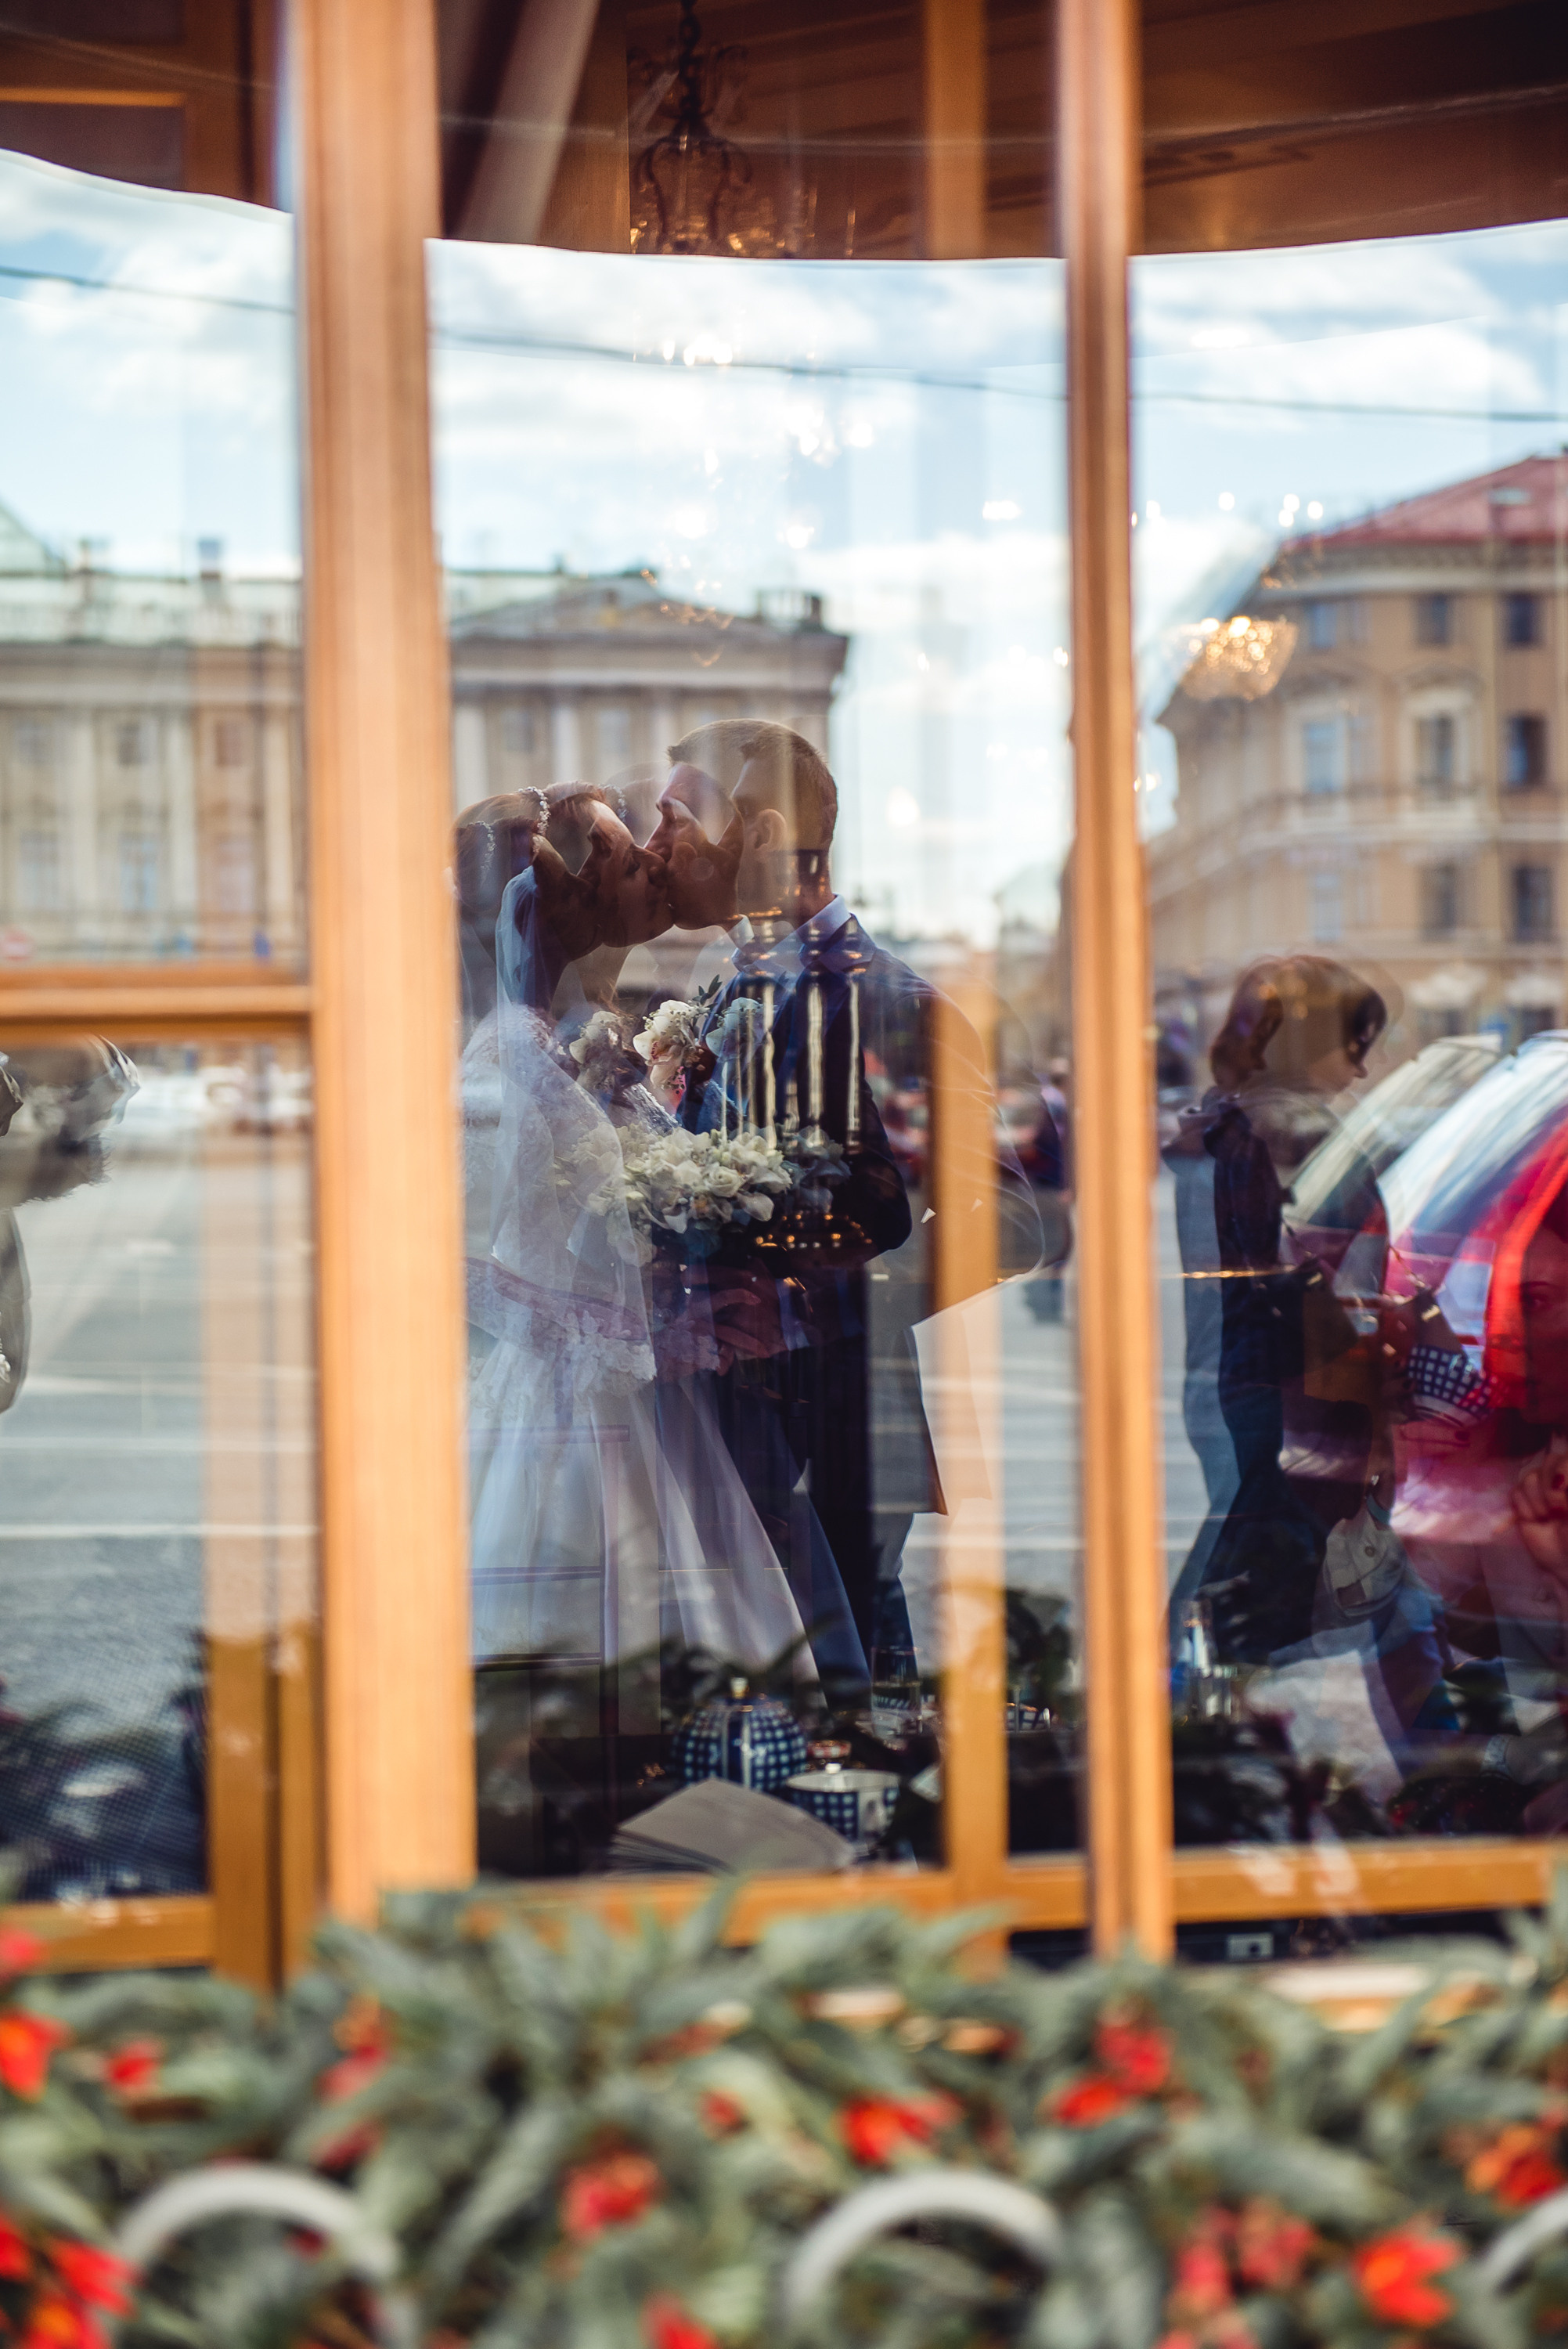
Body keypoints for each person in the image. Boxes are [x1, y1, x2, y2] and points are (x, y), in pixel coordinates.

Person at [642, 719, 1042, 1666]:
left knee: (846, 1677)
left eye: (678, 825)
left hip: (840, 1418)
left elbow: (1015, 1220)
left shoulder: (894, 1004)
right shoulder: (721, 984)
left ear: (767, 834)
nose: (661, 850)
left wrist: (821, 1293)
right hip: (734, 1406)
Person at [459, 785, 838, 1710]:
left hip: (629, 1389)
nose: (649, 875)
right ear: (564, 902)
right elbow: (456, 1253)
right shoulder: (502, 1054)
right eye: (629, 864)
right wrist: (581, 1318)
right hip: (570, 1399)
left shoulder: (549, 1042)